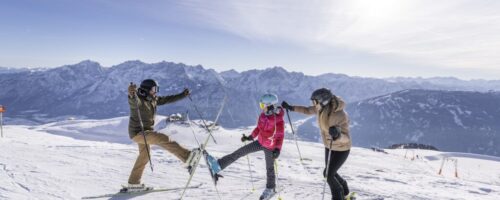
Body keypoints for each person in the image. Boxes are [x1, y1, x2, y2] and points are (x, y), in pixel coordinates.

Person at [123, 79, 199, 192]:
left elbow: (168, 99)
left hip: (146, 132)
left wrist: (183, 95)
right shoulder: (139, 100)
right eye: (154, 89)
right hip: (139, 133)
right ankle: (187, 157)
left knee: (145, 156)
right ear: (146, 90)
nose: (156, 92)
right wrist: (131, 93)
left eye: (156, 89)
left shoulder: (152, 99)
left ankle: (133, 183)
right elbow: (133, 101)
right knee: (162, 138)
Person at [205, 93, 285, 200]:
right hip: (260, 142)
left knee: (269, 168)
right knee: (239, 152)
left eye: (263, 106)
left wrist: (277, 150)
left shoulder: (278, 120)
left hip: (271, 147)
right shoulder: (263, 116)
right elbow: (258, 128)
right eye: (261, 105)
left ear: (270, 106)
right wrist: (250, 137)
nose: (261, 108)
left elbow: (280, 136)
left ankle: (271, 189)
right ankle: (218, 165)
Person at [282, 88, 351, 200]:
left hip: (342, 149)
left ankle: (338, 196)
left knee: (328, 174)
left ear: (323, 101)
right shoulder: (321, 108)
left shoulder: (339, 115)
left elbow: (346, 138)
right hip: (329, 146)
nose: (313, 104)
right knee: (331, 173)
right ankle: (345, 189)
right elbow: (307, 110)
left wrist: (338, 135)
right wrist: (291, 107)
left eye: (315, 102)